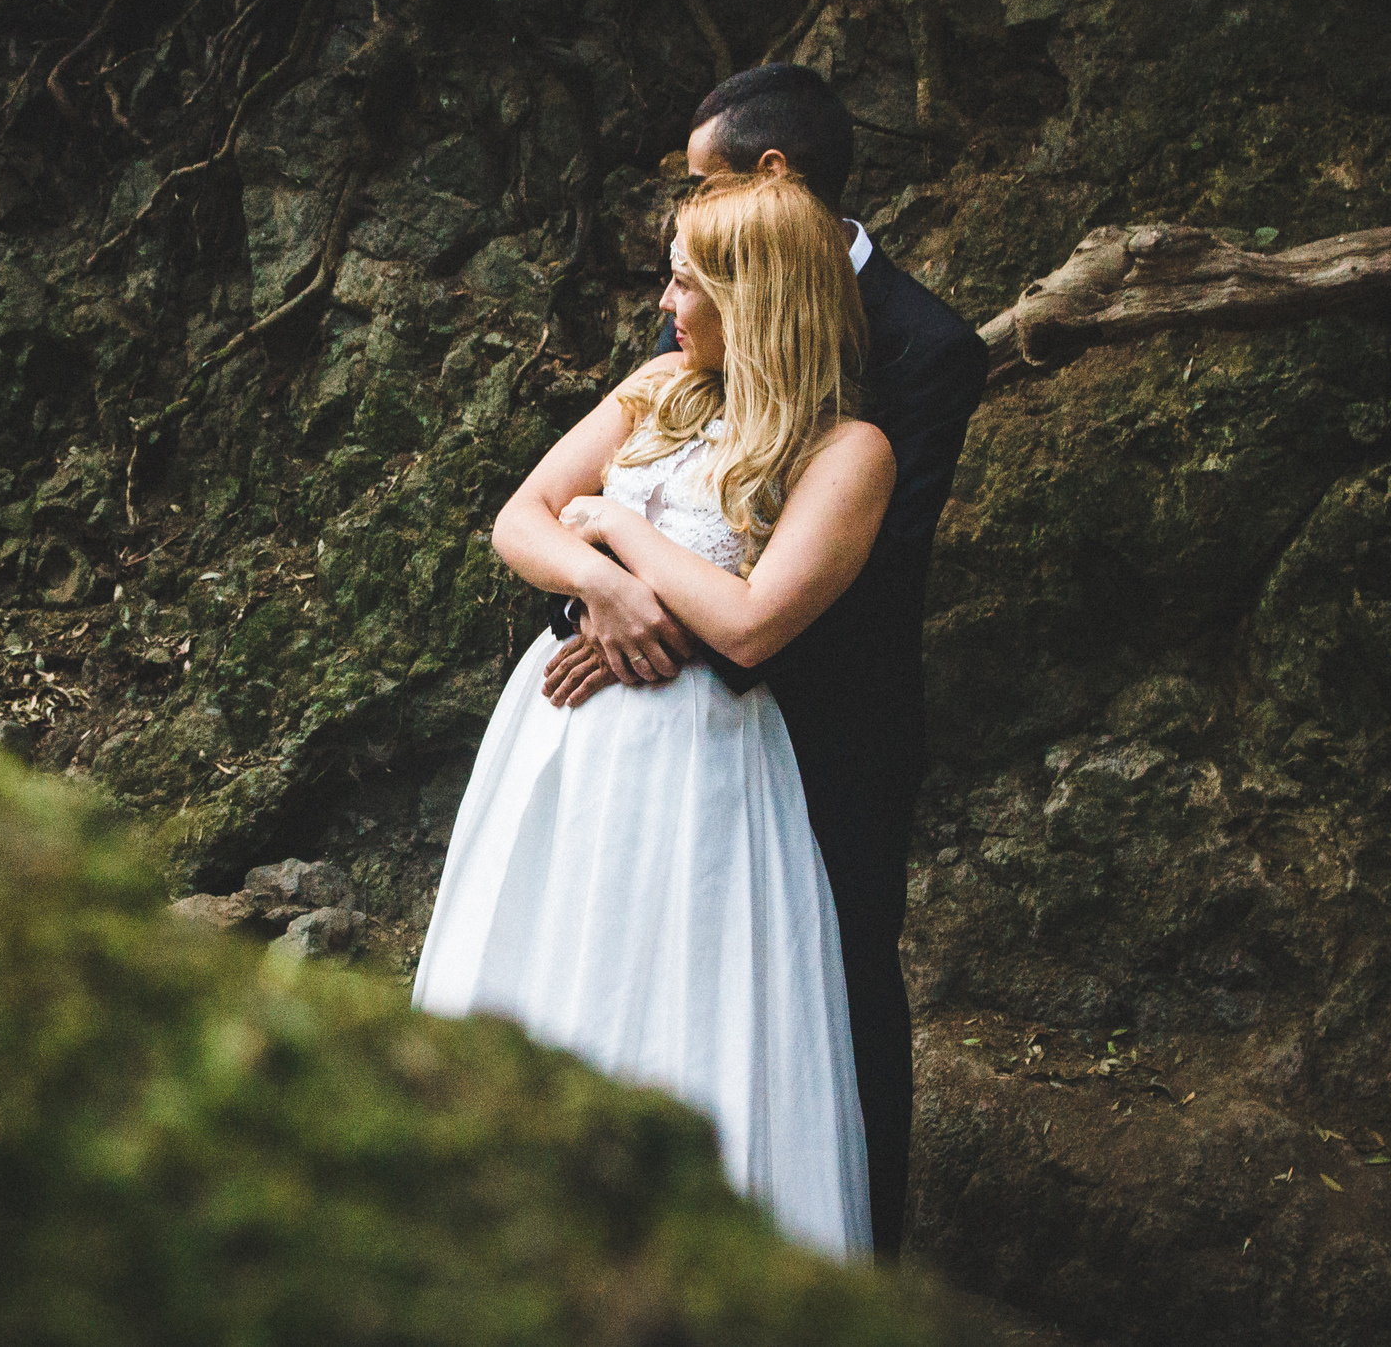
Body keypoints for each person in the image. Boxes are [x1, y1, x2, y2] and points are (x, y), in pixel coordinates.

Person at [540, 63, 991, 1260]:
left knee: (828, 985)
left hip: (824, 716)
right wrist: (601, 604)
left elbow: (869, 563)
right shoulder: (703, 292)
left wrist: (665, 627)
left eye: (702, 190)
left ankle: (845, 1257)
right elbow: (631, 472)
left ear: (771, 179)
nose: (673, 289)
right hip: (646, 694)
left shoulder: (926, 346)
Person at [411, 167, 896, 1260]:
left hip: (698, 764)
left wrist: (616, 537)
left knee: (674, 1006)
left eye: (685, 283)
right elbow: (518, 518)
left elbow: (750, 621)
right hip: (557, 742)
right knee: (534, 974)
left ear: (756, 297)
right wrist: (601, 589)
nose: (664, 304)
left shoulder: (847, 453)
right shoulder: (655, 386)